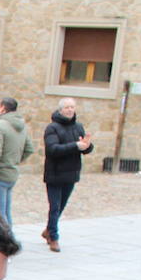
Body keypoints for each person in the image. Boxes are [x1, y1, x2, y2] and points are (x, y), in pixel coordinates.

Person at [42, 97, 94, 252]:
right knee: (55, 206)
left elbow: (85, 148)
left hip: (71, 173)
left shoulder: (78, 127)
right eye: (67, 107)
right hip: (55, 173)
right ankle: (54, 237)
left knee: (62, 205)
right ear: (60, 110)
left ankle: (49, 230)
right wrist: (75, 146)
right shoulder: (52, 128)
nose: (70, 110)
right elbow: (52, 149)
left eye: (72, 107)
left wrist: (87, 146)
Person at [0, 97, 33, 228]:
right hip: (11, 174)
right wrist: (15, 161)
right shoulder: (21, 126)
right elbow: (29, 149)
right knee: (6, 212)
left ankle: (5, 243)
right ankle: (10, 240)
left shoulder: (0, 125)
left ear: (3, 108)